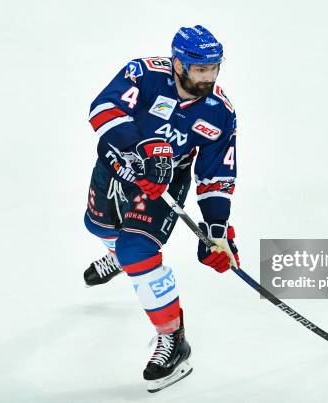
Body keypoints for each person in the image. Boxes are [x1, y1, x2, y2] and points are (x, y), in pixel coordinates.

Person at [82, 25, 240, 393]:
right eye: (199, 68)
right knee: (97, 228)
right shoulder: (145, 73)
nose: (207, 76)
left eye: (213, 68)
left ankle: (173, 340)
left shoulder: (220, 113)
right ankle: (117, 255)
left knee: (135, 248)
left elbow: (216, 174)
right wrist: (142, 148)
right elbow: (103, 108)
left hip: (164, 184)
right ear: (178, 63)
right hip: (116, 165)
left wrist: (216, 231)